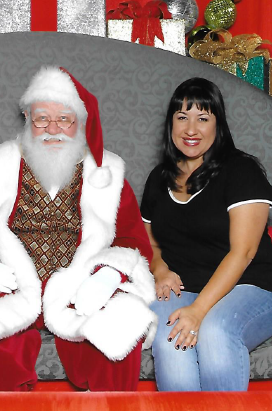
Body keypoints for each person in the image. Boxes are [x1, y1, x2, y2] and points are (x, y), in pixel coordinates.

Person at [0, 66, 157, 392]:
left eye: (64, 119)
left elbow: (131, 237)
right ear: (27, 117)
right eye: (41, 119)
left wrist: (107, 276)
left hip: (80, 283)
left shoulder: (106, 172)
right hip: (11, 282)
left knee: (118, 329)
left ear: (79, 120)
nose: (53, 129)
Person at [140, 77, 272, 391]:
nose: (191, 129)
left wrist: (199, 311)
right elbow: (148, 238)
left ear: (218, 124)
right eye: (182, 117)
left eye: (203, 118)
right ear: (170, 124)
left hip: (252, 283)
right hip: (186, 285)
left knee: (214, 330)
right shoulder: (159, 178)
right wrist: (160, 269)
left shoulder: (242, 171)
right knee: (168, 334)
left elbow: (244, 253)